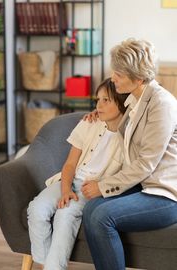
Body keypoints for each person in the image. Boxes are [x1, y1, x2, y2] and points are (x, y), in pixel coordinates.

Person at [81, 38, 177, 270]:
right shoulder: (135, 98)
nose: (113, 79)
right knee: (91, 208)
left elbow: (145, 163)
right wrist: (99, 113)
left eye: (119, 75)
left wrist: (103, 186)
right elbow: (123, 130)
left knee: (102, 216)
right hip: (145, 185)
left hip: (166, 192)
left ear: (139, 78)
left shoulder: (162, 104)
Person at [27, 78, 129, 270]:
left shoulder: (130, 136)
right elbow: (70, 164)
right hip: (69, 180)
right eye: (97, 100)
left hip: (93, 190)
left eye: (106, 100)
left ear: (122, 101)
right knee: (37, 209)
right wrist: (65, 190)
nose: (99, 105)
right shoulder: (89, 123)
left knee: (65, 216)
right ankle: (43, 265)